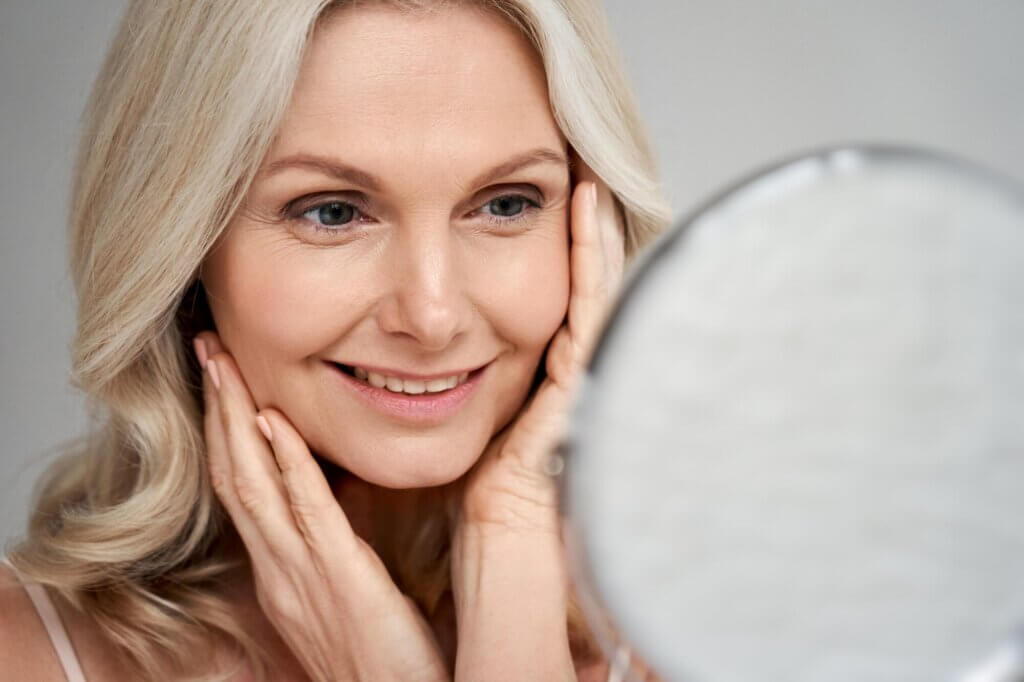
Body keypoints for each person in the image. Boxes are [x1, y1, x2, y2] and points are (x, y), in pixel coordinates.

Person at [0, 0, 671, 679]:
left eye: (506, 203)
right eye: (333, 212)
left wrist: (513, 554)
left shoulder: (702, 636)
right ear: (184, 244)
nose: (432, 315)